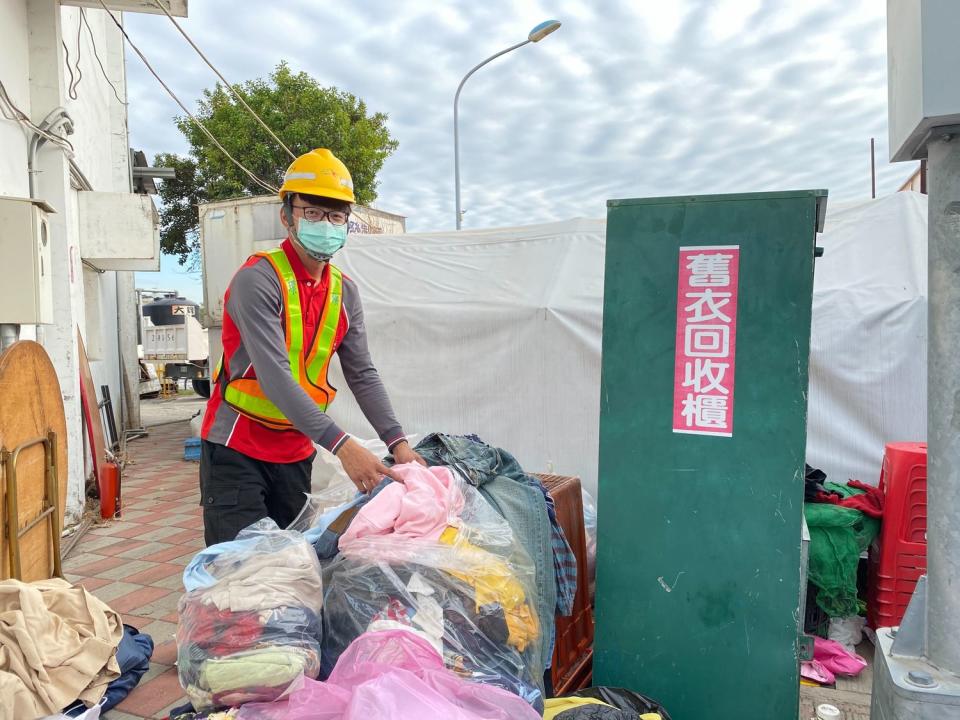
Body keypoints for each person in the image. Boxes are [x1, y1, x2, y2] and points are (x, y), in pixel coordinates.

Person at [199, 148, 422, 546]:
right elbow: (275, 378)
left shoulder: (344, 292)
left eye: (337, 216)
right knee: (241, 578)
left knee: (293, 573)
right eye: (314, 213)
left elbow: (362, 373)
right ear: (287, 215)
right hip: (237, 450)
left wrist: (398, 444)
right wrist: (344, 447)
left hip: (296, 453)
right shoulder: (258, 280)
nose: (327, 224)